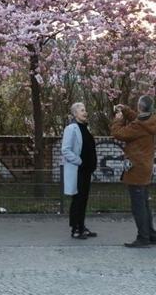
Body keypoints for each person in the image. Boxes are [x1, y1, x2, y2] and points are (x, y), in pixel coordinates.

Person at [111, 95, 156, 248]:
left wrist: (118, 118)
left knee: (138, 206)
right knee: (144, 204)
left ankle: (143, 237)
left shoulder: (139, 126)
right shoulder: (152, 120)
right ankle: (151, 234)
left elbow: (119, 133)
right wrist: (125, 110)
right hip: (146, 167)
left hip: (136, 168)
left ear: (140, 107)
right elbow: (138, 119)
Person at [61, 102, 98, 239]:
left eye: (85, 110)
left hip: (86, 171)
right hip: (78, 170)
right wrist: (79, 161)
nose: (85, 112)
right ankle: (75, 229)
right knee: (77, 199)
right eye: (82, 110)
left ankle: (81, 226)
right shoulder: (71, 129)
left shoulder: (84, 128)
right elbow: (65, 150)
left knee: (83, 199)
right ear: (75, 113)